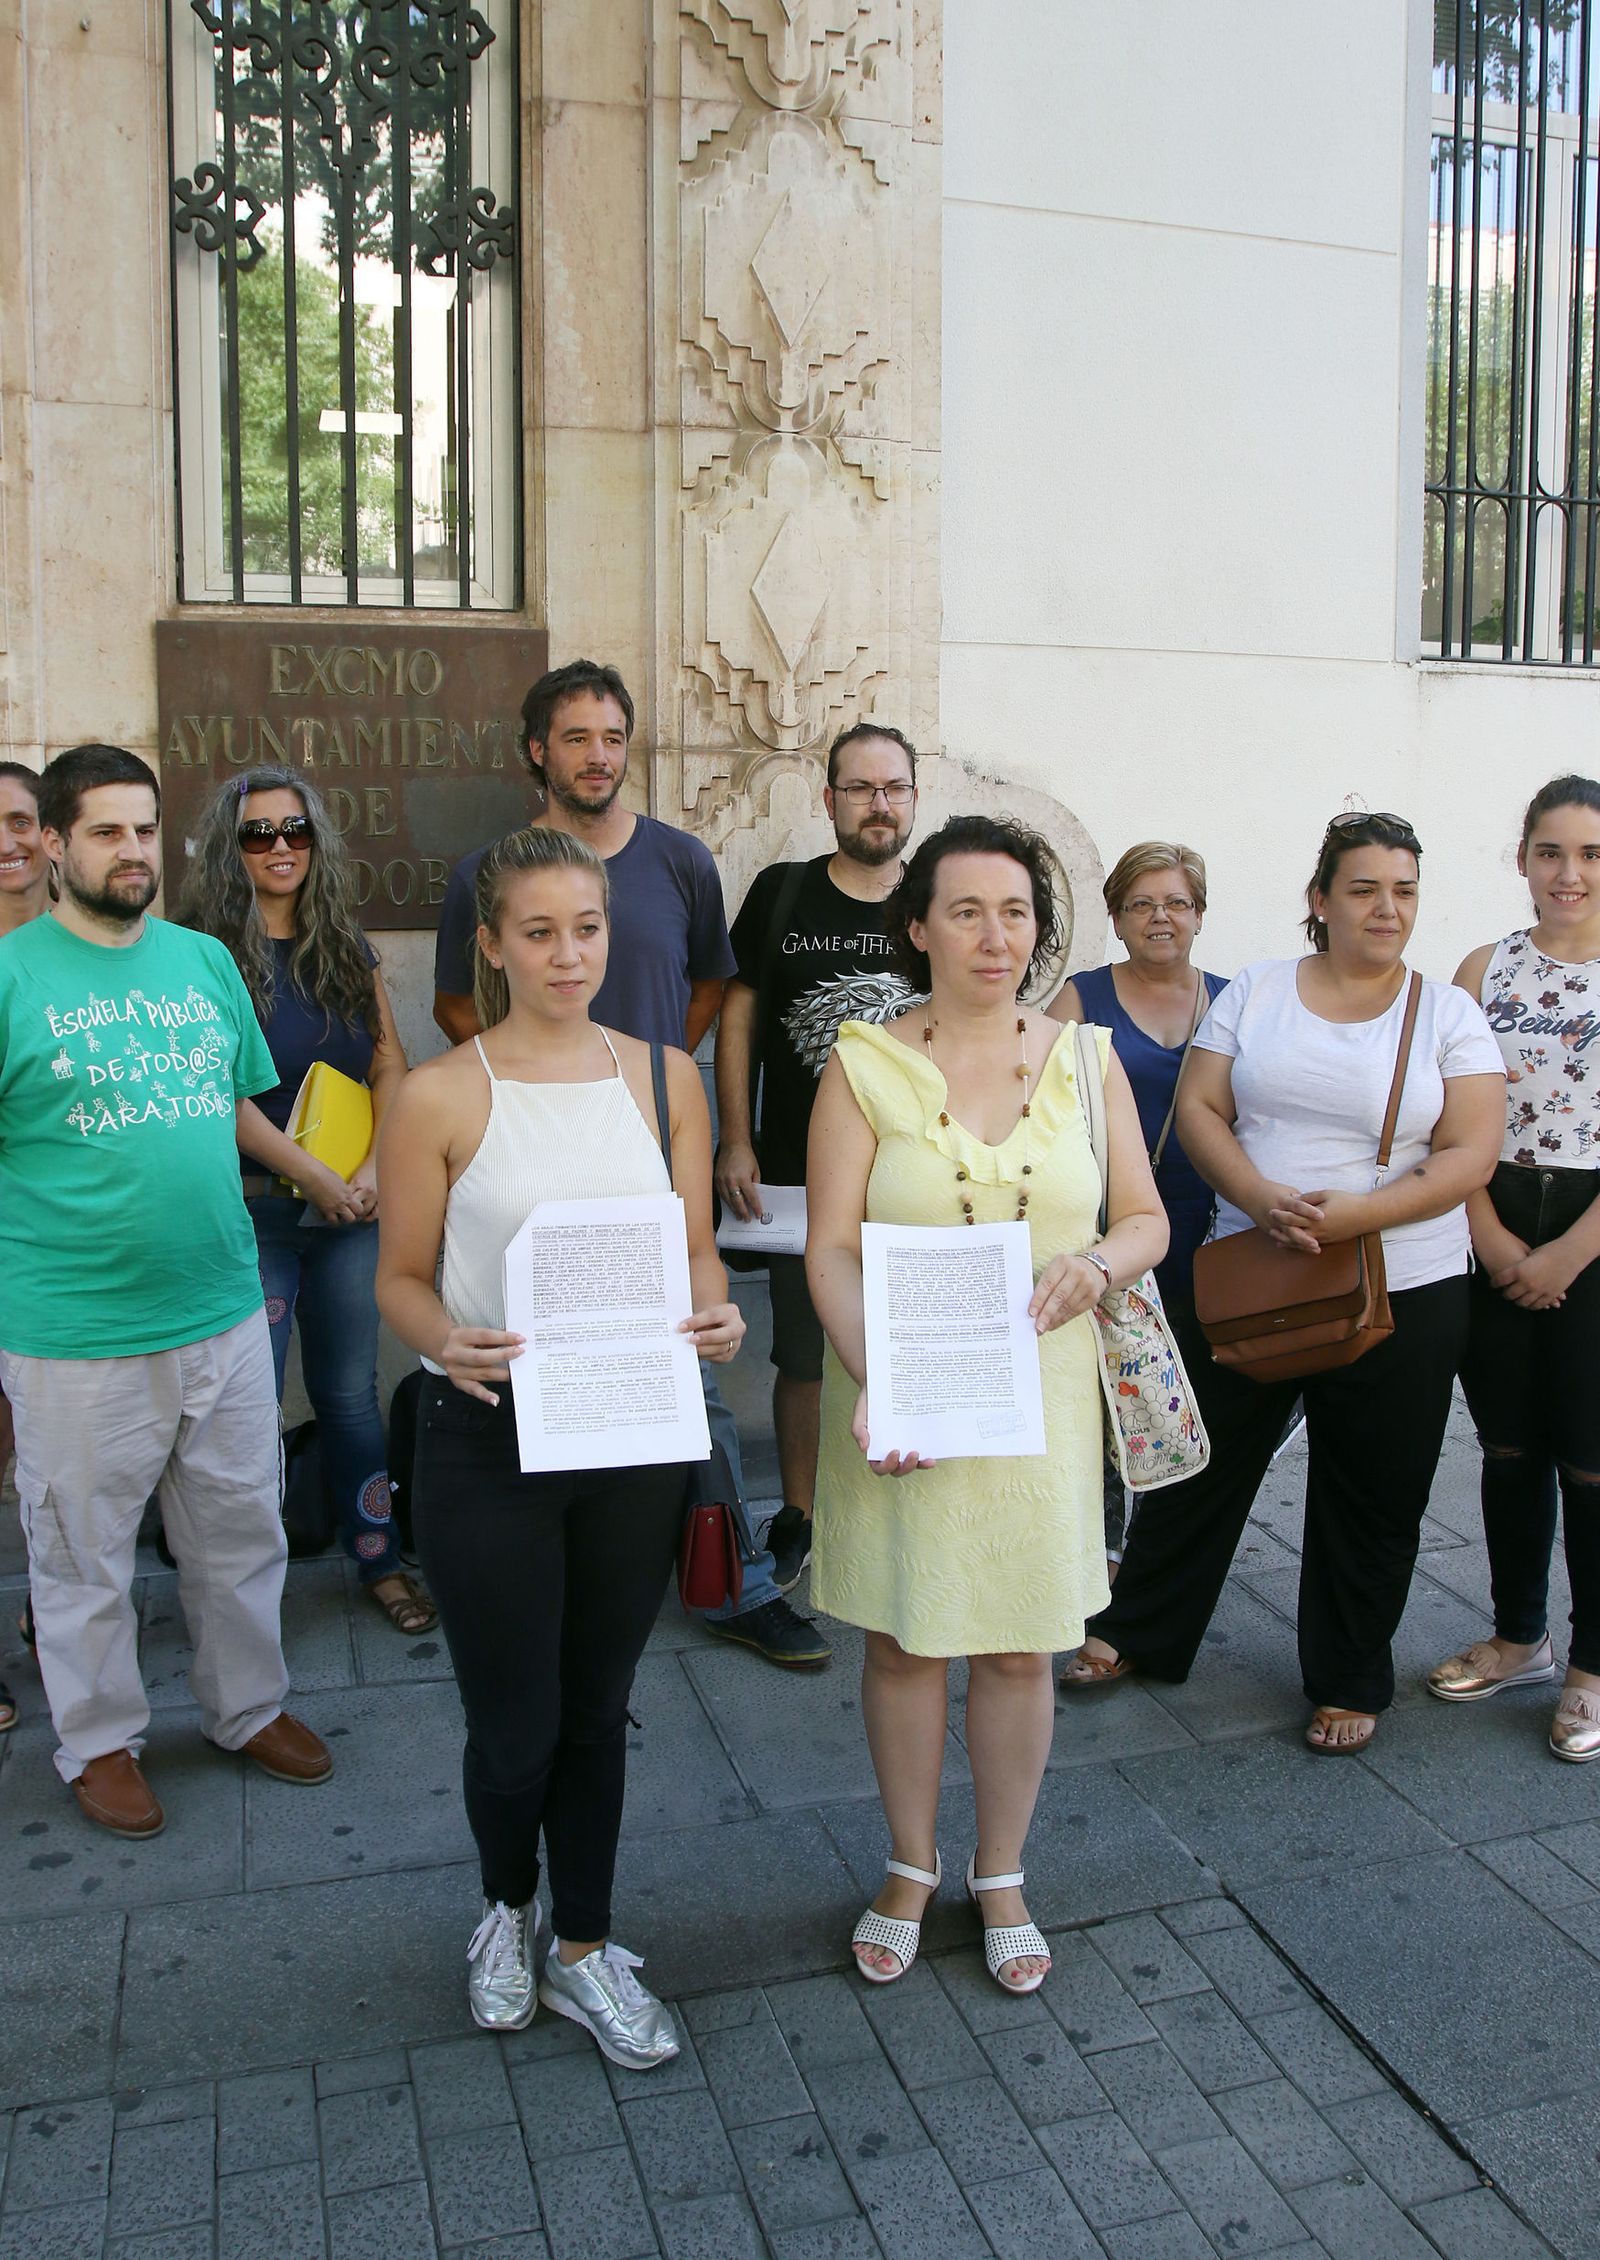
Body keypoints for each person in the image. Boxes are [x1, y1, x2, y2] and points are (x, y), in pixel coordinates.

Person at [378, 826, 746, 2054]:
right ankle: (506, 1906)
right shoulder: (440, 1093)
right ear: (491, 945)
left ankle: (584, 1943)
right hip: (488, 1432)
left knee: (597, 1704)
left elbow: (693, 1249)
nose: (567, 954)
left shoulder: (666, 1077)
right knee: (512, 1718)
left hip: (631, 1428)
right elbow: (399, 1278)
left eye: (585, 928)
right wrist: (446, 1339)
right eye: (537, 932)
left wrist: (714, 1312)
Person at [807, 815, 1168, 1993]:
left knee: (1020, 1647)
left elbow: (1146, 1218)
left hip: (1040, 1404)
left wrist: (1098, 1265)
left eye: (1014, 912)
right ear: (918, 928)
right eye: (964, 911)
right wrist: (877, 1377)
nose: (993, 935)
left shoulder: (1085, 1060)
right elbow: (828, 1248)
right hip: (901, 1389)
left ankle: (1000, 1869)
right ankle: (909, 1863)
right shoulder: (863, 1062)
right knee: (904, 1642)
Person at [1062, 812, 1505, 1754]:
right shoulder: (1259, 991)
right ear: (1320, 899)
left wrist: (1360, 1216)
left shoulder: (1448, 1015)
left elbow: (1470, 1152)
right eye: (1364, 888)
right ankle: (1140, 1628)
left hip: (1406, 1287)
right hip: (1254, 1272)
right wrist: (1260, 1198)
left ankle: (1348, 1677)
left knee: (1374, 1489)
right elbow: (1200, 1107)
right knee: (1200, 1461)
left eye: (1404, 890)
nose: (1387, 908)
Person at [431, 657, 828, 1670]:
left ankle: (734, 1582)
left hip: (650, 1143)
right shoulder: (487, 870)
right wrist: (534, 1087)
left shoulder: (681, 861)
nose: (598, 755)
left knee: (684, 1370)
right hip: (524, 1161)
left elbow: (710, 987)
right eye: (576, 737)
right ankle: (539, 1564)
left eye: (613, 736)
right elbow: (455, 1005)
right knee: (539, 1361)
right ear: (537, 750)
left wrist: (644, 1086)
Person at [0, 744, 331, 1839]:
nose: (132, 849)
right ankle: (99, 1742)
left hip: (222, 1310)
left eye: (144, 828)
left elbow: (233, 1105)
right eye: (105, 831)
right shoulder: (10, 977)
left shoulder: (202, 962)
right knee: (81, 1555)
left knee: (242, 1530)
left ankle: (249, 1707)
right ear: (55, 844)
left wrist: (318, 1176)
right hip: (75, 1331)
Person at [179, 767, 434, 1635]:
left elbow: (390, 1064)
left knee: (351, 1394)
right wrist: (316, 1178)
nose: (280, 847)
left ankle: (379, 1559)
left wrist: (371, 1170)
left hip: (350, 1216)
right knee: (246, 1408)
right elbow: (216, 1092)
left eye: (296, 830)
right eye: (258, 834)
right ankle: (246, 1591)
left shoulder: (344, 945)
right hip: (253, 1216)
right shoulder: (199, 955)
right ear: (230, 849)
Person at [714, 722, 920, 1590]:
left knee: (908, 1348)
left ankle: (904, 1506)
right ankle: (798, 1514)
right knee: (802, 1354)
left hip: (912, 1176)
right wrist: (736, 1135)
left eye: (894, 788)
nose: (879, 804)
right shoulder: (784, 893)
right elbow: (739, 1015)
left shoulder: (937, 899)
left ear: (914, 798)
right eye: (861, 787)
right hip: (799, 1176)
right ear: (830, 799)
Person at [1427, 776, 1600, 1760]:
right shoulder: (1482, 969)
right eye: (1550, 852)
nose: (1568, 874)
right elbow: (1451, 1117)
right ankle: (1518, 1636)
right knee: (1508, 1447)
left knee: (1590, 1456)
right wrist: (1488, 1234)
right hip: (1492, 1215)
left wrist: (1570, 1251)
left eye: (1590, 854)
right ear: (1524, 858)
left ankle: (1591, 1667)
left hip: (1592, 1234)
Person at [1051, 841, 1227, 1573]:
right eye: (1141, 904)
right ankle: (1105, 1550)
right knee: (1113, 1385)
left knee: (1188, 1390)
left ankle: (1169, 1550)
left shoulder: (1233, 1000)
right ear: (1117, 918)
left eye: (1177, 903)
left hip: (1210, 1224)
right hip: (1114, 1223)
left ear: (1199, 915)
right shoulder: (1080, 999)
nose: (1161, 917)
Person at [0, 760, 51, 1734]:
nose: (6, 841)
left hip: (57, 1263)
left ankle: (53, 1614)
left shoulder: (89, 953)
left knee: (44, 1461)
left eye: (19, 819)